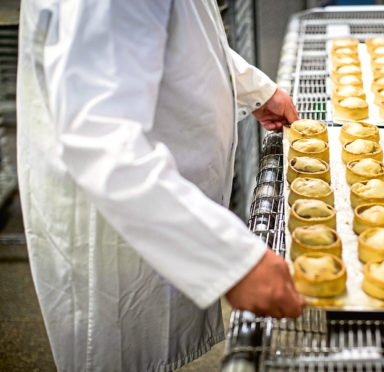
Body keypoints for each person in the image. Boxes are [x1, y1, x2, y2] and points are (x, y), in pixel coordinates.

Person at [17, 1, 305, 371]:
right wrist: (231, 261)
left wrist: (252, 87)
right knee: (116, 354)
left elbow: (166, 32)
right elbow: (100, 135)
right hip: (115, 213)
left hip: (143, 199)